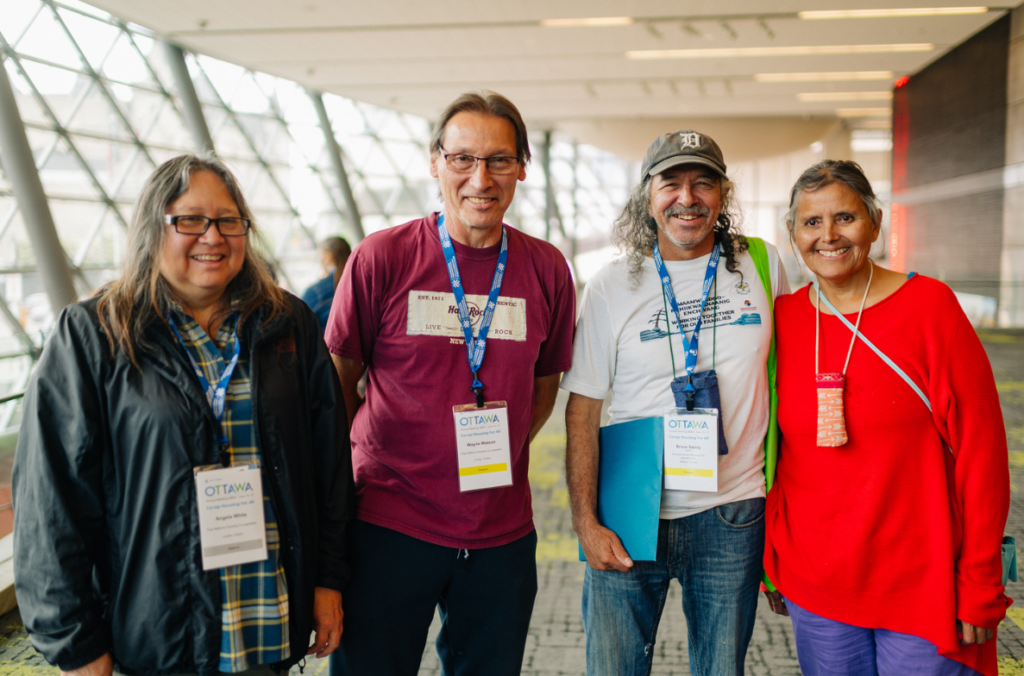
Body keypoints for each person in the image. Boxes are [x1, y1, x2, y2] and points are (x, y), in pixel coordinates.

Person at [13, 154, 354, 676]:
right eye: (190, 220)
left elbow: (329, 467)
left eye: (229, 220)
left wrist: (328, 579)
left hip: (268, 614)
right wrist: (76, 643)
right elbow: (50, 501)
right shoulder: (94, 336)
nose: (212, 237)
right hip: (158, 632)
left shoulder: (288, 326)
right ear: (154, 228)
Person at [325, 91, 576, 676]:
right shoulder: (381, 258)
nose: (480, 179)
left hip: (500, 533)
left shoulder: (545, 269)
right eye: (462, 158)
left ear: (521, 168)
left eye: (499, 160)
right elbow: (338, 383)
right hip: (388, 525)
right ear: (435, 162)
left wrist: (492, 442)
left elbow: (544, 386)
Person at [763, 160, 1010, 676]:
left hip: (924, 583)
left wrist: (981, 582)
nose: (828, 236)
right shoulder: (783, 320)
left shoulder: (929, 308)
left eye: (845, 218)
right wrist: (774, 562)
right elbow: (771, 455)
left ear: (875, 224)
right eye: (811, 223)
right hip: (818, 585)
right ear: (792, 233)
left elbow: (982, 456)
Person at [562, 130, 790, 676]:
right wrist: (586, 523)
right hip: (629, 513)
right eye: (671, 183)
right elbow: (583, 412)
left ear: (723, 193)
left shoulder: (764, 267)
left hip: (733, 512)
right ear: (648, 196)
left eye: (702, 183)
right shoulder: (611, 285)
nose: (687, 197)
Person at [302, 236, 351, 334]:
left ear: (328, 256)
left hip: (329, 345)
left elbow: (301, 321)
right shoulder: (361, 281)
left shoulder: (316, 291)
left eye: (320, 255)